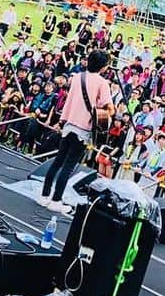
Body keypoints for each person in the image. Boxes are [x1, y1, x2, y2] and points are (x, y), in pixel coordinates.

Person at [38, 49, 113, 213]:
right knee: (68, 166)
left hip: (69, 124)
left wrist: (62, 121)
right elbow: (109, 107)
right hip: (84, 128)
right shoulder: (102, 83)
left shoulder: (78, 77)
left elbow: (69, 100)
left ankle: (44, 195)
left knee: (58, 161)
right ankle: (56, 199)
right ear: (103, 66)